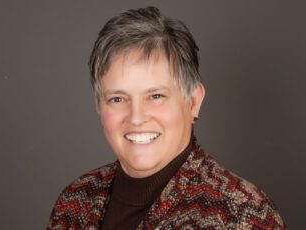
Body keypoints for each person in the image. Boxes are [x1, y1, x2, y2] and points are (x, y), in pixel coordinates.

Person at [48, 6, 286, 229]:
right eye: (118, 99)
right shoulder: (76, 200)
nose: (136, 117)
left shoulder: (241, 213)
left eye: (156, 96)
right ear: (99, 105)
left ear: (193, 101)